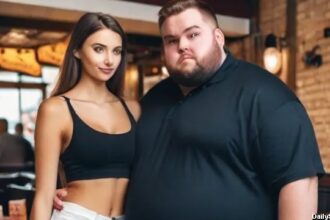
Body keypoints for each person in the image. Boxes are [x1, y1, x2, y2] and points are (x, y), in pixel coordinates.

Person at [55, 1, 325, 220]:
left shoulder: (266, 96)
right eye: (171, 40)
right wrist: (78, 194)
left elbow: (300, 184)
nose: (182, 45)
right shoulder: (153, 98)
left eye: (193, 34)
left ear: (218, 37)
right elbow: (114, 158)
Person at [30, 12, 139, 220]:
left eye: (117, 51)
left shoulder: (133, 109)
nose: (109, 60)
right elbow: (43, 196)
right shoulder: (56, 110)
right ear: (77, 51)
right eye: (99, 49)